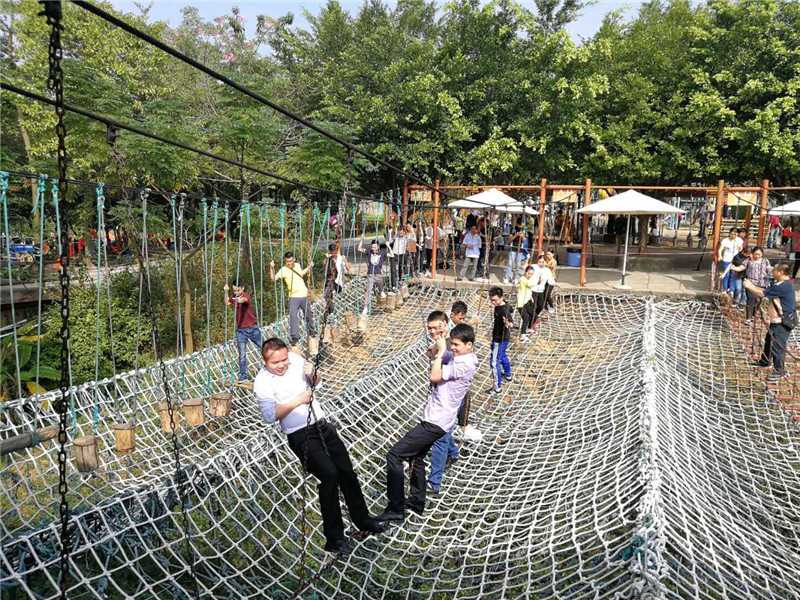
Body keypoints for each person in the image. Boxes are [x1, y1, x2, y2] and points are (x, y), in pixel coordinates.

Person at [254, 338, 385, 553]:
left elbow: (316, 383)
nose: (282, 365)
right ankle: (334, 538)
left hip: (322, 425)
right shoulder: (262, 382)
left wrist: (314, 373)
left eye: (284, 360)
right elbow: (269, 416)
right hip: (300, 435)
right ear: (264, 361)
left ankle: (363, 520)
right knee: (329, 475)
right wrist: (298, 400)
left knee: (346, 471)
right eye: (275, 362)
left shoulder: (295, 360)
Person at [374, 323, 478, 521]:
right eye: (452, 344)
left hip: (435, 422)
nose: (453, 348)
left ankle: (395, 508)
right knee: (416, 457)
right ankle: (417, 501)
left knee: (394, 455)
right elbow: (432, 354)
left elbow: (434, 375)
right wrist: (438, 344)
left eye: (457, 345)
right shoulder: (460, 357)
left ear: (469, 345)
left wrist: (441, 353)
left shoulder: (464, 364)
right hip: (437, 420)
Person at [745, 263, 796, 382]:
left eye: (774, 271)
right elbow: (766, 291)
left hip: (782, 321)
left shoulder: (782, 286)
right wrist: (752, 286)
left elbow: (762, 294)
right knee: (769, 341)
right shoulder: (780, 284)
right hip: (775, 319)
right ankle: (765, 361)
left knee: (778, 346)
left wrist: (749, 287)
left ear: (781, 272)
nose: (772, 272)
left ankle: (780, 370)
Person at [271, 252, 317, 347]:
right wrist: (271, 268)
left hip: (304, 295)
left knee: (308, 314)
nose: (289, 263)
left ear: (294, 259)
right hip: (293, 297)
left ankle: (312, 332)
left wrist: (309, 267)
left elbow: (301, 274)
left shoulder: (298, 265)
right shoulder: (283, 270)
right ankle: (295, 338)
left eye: (290, 261)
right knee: (293, 317)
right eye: (287, 261)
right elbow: (273, 279)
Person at [224, 278, 262, 382]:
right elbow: (227, 303)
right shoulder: (233, 297)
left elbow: (245, 300)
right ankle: (243, 375)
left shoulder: (246, 296)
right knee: (242, 354)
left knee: (264, 347)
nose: (236, 292)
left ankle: (272, 364)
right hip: (241, 331)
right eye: (234, 290)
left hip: (253, 329)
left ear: (243, 288)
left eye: (238, 290)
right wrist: (226, 292)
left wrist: (241, 300)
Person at [730, 246, 770, 321]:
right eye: (755, 254)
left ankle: (754, 315)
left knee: (758, 301)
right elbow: (741, 268)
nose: (757, 256)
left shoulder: (765, 261)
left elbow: (769, 269)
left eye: (759, 254)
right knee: (751, 299)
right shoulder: (748, 261)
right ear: (752, 254)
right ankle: (748, 317)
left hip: (761, 283)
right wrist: (734, 268)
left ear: (762, 254)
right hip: (750, 283)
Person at [488, 287, 514, 394]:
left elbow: (511, 322)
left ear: (501, 298)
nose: (493, 302)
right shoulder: (504, 304)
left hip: (499, 340)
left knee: (494, 363)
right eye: (492, 300)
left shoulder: (503, 310)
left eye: (495, 300)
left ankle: (497, 388)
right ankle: (508, 375)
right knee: (502, 356)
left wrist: (508, 324)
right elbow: (511, 308)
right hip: (504, 339)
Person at [358, 239, 393, 314]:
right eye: (372, 247)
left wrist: (388, 246)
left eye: (374, 247)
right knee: (368, 291)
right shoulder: (369, 251)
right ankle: (366, 307)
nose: (373, 249)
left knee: (380, 284)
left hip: (378, 274)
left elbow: (392, 255)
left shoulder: (382, 253)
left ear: (378, 247)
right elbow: (359, 249)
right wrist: (362, 239)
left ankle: (381, 291)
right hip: (370, 274)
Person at [530, 255, 557, 333]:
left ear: (545, 262)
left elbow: (550, 280)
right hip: (533, 290)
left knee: (540, 306)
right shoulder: (533, 267)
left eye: (542, 262)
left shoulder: (547, 270)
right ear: (537, 261)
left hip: (541, 290)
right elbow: (527, 274)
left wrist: (556, 284)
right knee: (533, 306)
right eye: (539, 262)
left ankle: (534, 319)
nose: (541, 264)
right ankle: (531, 324)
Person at [323, 243, 350, 316]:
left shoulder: (340, 258)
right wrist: (326, 258)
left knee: (327, 295)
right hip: (328, 280)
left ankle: (332, 312)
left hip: (336, 282)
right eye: (332, 253)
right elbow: (323, 264)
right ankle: (331, 313)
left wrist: (345, 261)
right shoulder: (329, 257)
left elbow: (348, 269)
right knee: (327, 296)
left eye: (334, 252)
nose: (333, 254)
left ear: (336, 251)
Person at [717, 228, 743, 294]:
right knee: (726, 275)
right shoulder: (725, 240)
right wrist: (720, 255)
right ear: (730, 233)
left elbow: (741, 248)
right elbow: (720, 249)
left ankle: (731, 289)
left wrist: (740, 249)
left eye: (735, 234)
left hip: (735, 260)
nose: (733, 236)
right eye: (732, 234)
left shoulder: (739, 240)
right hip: (727, 259)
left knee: (733, 275)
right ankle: (724, 289)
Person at [516, 266, 536, 344]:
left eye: (531, 274)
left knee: (534, 315)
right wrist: (539, 280)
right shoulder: (523, 279)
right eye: (528, 273)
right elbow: (531, 284)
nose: (530, 275)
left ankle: (528, 329)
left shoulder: (528, 279)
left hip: (527, 302)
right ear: (525, 272)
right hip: (521, 303)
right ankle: (522, 337)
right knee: (525, 319)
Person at [388, 225, 407, 290]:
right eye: (399, 232)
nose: (400, 234)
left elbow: (414, 239)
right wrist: (390, 233)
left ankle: (400, 280)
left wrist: (412, 231)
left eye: (401, 233)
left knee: (401, 268)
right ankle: (393, 285)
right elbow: (390, 241)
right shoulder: (395, 237)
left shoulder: (406, 238)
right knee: (393, 270)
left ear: (404, 232)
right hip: (394, 254)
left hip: (402, 254)